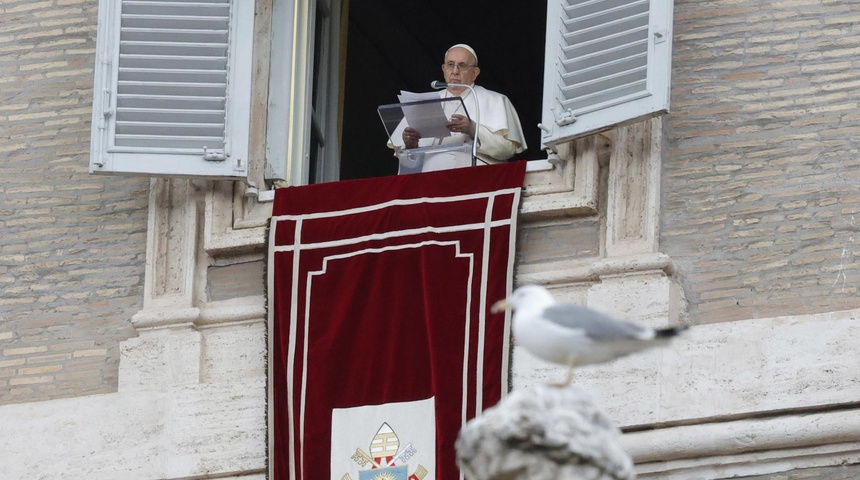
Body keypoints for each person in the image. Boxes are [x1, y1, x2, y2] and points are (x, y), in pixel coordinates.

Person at [388, 44, 527, 173]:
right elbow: (408, 166)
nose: (455, 71)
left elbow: (507, 150)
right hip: (430, 183)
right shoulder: (424, 103)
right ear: (443, 69)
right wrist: (411, 147)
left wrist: (472, 129)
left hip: (476, 180)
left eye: (462, 65)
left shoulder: (496, 100)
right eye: (450, 65)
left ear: (475, 72)